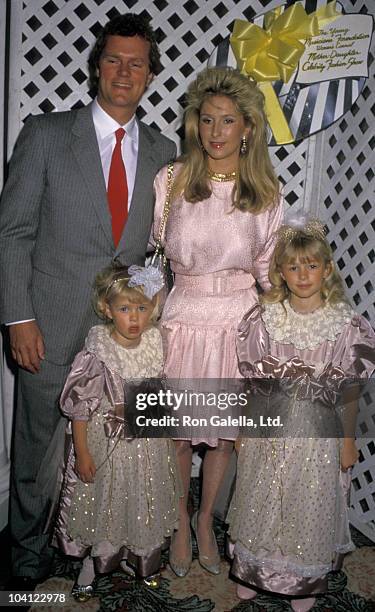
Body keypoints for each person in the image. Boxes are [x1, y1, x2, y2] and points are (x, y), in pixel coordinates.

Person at [0, 13, 176, 588]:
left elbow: (156, 250)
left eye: (137, 62)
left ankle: (101, 555)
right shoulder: (46, 134)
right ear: (96, 66)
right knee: (36, 452)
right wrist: (18, 318)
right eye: (113, 59)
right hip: (48, 324)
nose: (124, 71)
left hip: (124, 338)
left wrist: (151, 323)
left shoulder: (163, 150)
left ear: (151, 73)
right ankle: (25, 563)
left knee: (116, 450)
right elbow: (14, 232)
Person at [153, 66, 283, 577]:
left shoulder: (265, 194)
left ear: (247, 127)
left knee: (225, 438)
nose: (215, 131)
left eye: (227, 120)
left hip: (238, 325)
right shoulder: (172, 179)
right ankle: (180, 522)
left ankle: (207, 519)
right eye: (207, 119)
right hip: (182, 318)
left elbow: (271, 277)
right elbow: (153, 257)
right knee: (180, 436)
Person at [227, 215, 375, 611]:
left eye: (311, 265)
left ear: (326, 269)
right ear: (280, 272)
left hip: (318, 437)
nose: (303, 274)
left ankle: (301, 577)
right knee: (262, 497)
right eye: (293, 266)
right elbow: (254, 383)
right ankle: (253, 570)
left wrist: (347, 441)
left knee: (307, 502)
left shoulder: (346, 325)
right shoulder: (265, 319)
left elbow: (349, 390)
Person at [52, 264, 180, 600]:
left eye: (142, 308)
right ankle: (94, 563)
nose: (134, 318)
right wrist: (82, 453)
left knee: (142, 501)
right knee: (105, 504)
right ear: (107, 309)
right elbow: (80, 407)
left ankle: (142, 560)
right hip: (108, 444)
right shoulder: (98, 351)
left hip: (147, 444)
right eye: (124, 309)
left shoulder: (156, 341)